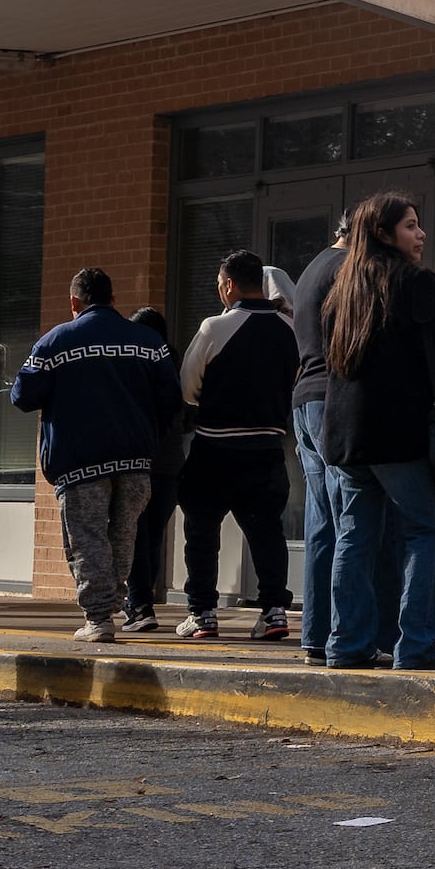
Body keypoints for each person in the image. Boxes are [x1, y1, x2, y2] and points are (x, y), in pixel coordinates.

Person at [319, 194, 435, 668]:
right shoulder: (418, 283)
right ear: (384, 234)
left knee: (354, 536)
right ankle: (417, 645)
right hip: (402, 432)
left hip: (349, 435)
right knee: (424, 531)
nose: (420, 234)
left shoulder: (342, 288)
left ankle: (346, 645)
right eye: (410, 226)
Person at [14, 269, 179, 645]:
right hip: (137, 459)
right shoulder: (148, 341)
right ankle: (113, 605)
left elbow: (22, 395)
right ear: (113, 300)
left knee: (87, 538)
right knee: (123, 536)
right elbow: (171, 398)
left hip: (80, 460)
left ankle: (99, 616)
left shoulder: (54, 342)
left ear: (74, 303)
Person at [174, 254, 300, 640]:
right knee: (267, 532)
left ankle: (203, 613)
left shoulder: (215, 327)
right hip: (267, 446)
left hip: (215, 446)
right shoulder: (290, 330)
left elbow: (188, 387)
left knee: (201, 531)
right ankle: (274, 610)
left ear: (228, 285)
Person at [286, 211, 354, 662]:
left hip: (306, 399)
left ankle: (315, 635)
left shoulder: (315, 266)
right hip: (332, 397)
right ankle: (346, 636)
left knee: (322, 522)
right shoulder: (345, 270)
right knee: (351, 517)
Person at [127, 307, 187, 627]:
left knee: (137, 535)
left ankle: (140, 606)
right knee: (150, 537)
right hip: (170, 466)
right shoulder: (174, 367)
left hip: (140, 462)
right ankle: (141, 600)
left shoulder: (138, 369)